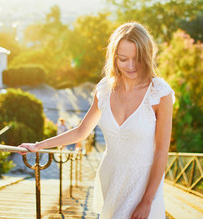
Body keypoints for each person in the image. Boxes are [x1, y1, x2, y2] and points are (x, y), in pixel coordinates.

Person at [18, 22, 174, 219]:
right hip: (111, 176)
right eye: (123, 59)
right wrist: (39, 145)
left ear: (148, 56)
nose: (131, 66)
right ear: (114, 58)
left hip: (143, 183)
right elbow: (81, 132)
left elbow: (161, 152)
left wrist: (147, 201)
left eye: (138, 59)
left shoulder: (159, 93)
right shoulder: (105, 89)